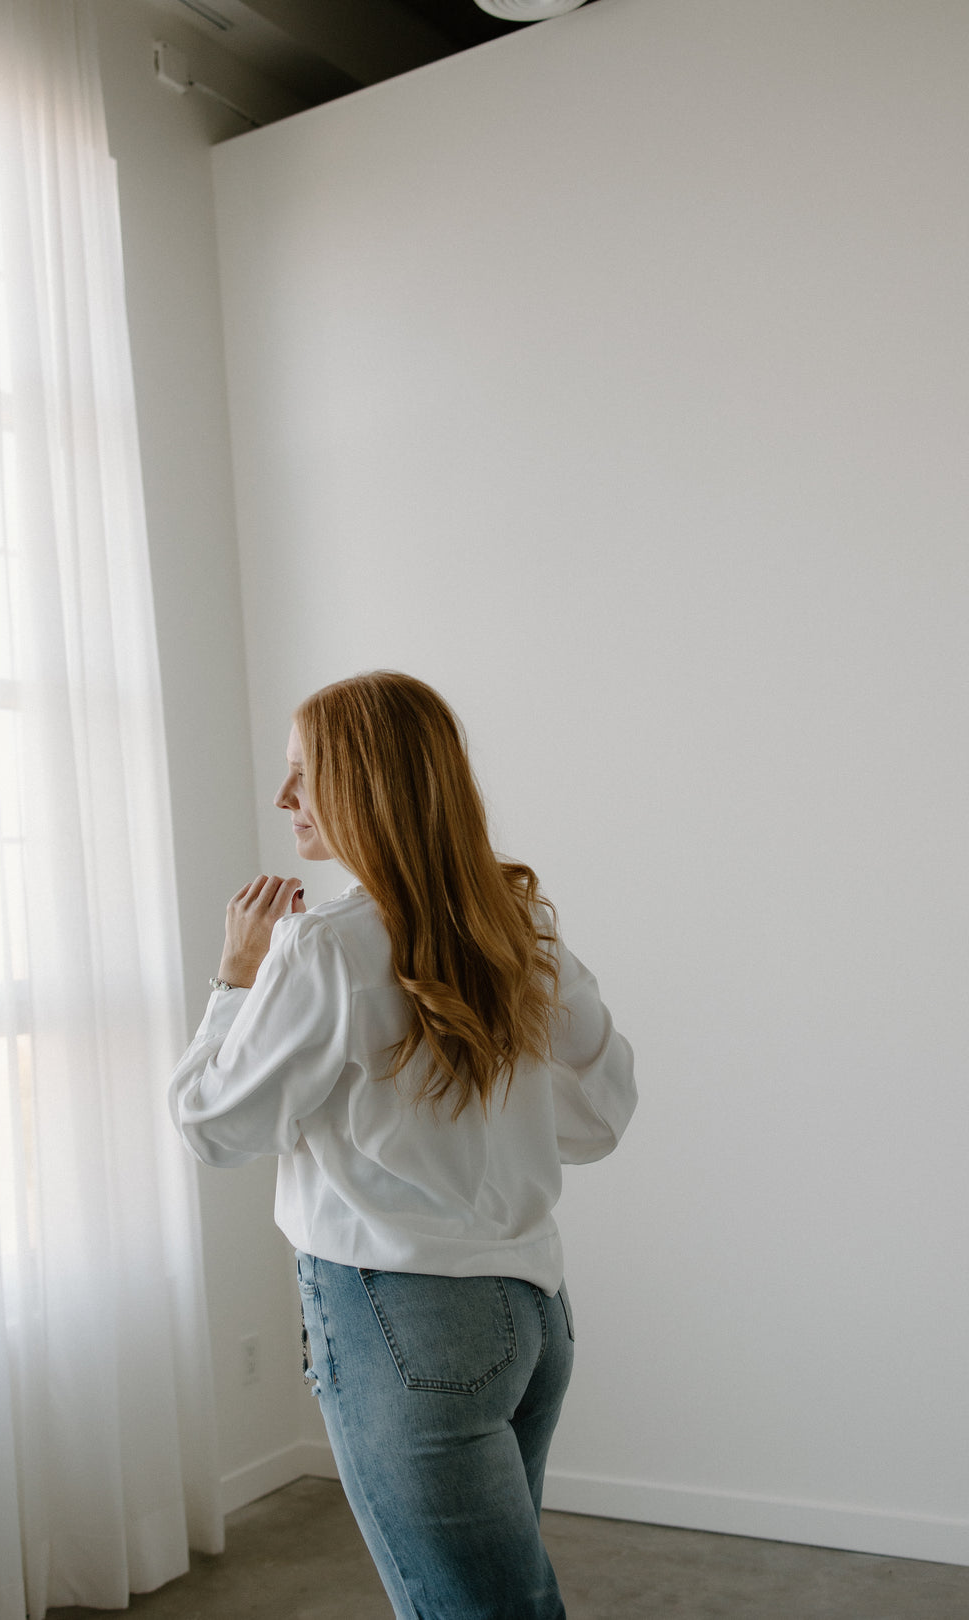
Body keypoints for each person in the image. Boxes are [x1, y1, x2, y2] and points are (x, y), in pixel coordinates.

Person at [169, 671, 636, 1620]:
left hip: (402, 1327)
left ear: (364, 783)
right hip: (533, 1318)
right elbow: (600, 1120)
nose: (283, 799)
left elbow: (215, 1128)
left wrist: (232, 982)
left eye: (304, 774)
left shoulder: (321, 948)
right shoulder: (523, 932)